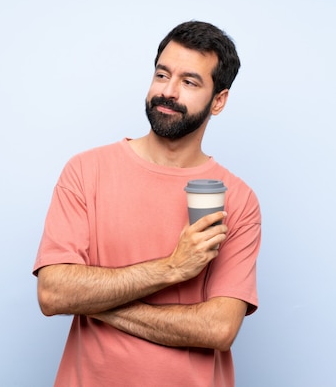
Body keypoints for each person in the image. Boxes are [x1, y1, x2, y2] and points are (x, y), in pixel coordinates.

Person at [33, 20, 261, 386]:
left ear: (218, 100)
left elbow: (218, 328)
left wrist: (96, 302)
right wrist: (172, 267)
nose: (168, 91)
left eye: (189, 82)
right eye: (161, 75)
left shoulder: (237, 198)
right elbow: (53, 292)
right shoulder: (86, 171)